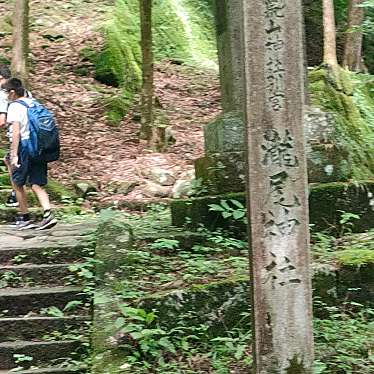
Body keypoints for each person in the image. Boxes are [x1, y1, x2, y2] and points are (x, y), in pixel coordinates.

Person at [3, 78, 57, 230]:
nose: (6, 96)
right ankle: (48, 213)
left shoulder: (15, 106)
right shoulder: (33, 102)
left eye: (6, 93)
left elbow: (16, 133)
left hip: (24, 147)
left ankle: (24, 217)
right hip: (40, 147)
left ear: (12, 92)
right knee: (36, 183)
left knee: (18, 182)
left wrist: (14, 155)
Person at [0, 65, 19, 207]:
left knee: (11, 160)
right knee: (10, 161)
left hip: (17, 135)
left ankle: (16, 194)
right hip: (33, 136)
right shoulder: (23, 91)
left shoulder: (3, 94)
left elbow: (2, 121)